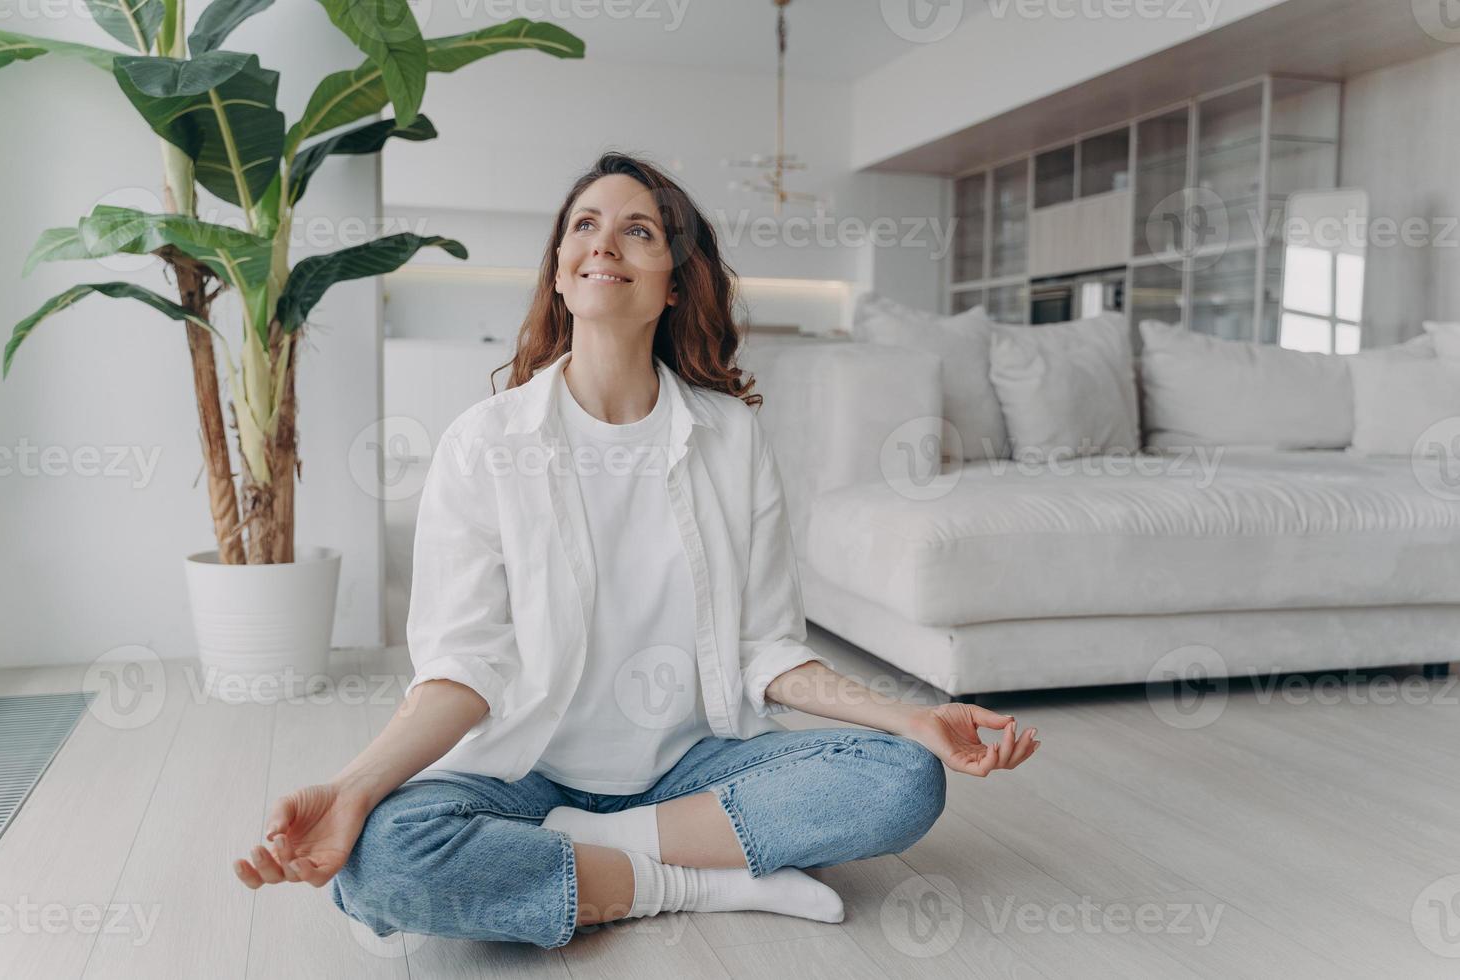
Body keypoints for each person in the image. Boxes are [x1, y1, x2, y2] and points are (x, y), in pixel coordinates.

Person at [231, 151, 1040, 949]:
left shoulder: (731, 438)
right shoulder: (485, 442)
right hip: (525, 776)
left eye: (638, 231)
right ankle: (695, 878)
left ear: (676, 281)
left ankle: (592, 860)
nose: (604, 243)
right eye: (585, 225)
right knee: (380, 864)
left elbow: (766, 649)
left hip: (691, 766)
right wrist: (350, 788)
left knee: (902, 778)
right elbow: (463, 667)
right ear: (558, 270)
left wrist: (912, 718)